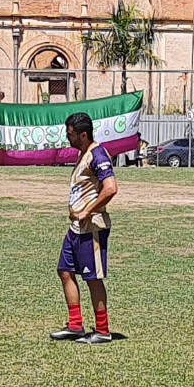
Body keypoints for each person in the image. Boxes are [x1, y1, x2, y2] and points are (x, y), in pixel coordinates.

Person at [51, 111, 118, 345]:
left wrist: (88, 211)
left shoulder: (98, 155)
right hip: (75, 228)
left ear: (83, 134)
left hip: (92, 228)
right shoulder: (83, 155)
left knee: (93, 278)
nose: (67, 138)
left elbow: (110, 188)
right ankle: (75, 325)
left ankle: (102, 330)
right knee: (65, 271)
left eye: (70, 134)